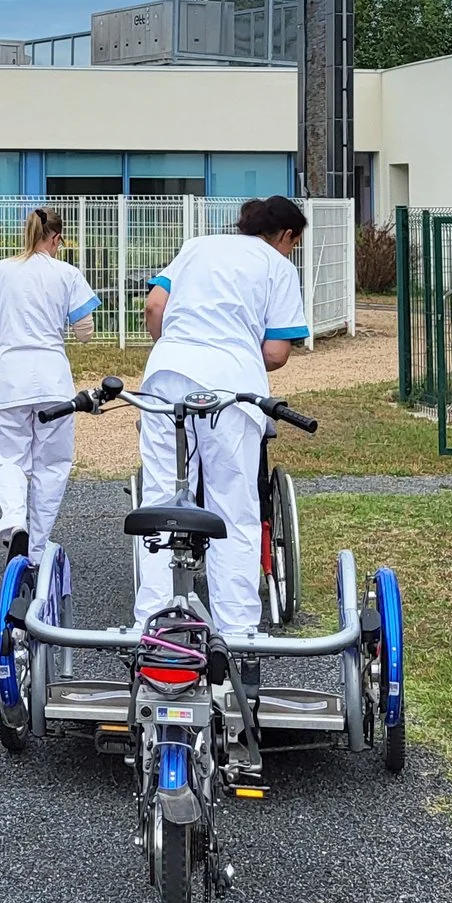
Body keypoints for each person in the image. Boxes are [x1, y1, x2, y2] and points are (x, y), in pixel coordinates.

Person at [133, 194, 310, 634]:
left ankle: (153, 625)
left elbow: (154, 308)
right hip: (232, 384)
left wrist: (174, 344)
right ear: (286, 235)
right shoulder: (278, 267)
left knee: (161, 497)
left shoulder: (197, 246)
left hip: (167, 374)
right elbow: (276, 352)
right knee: (234, 506)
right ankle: (237, 633)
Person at [0, 206, 102, 564]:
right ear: (57, 238)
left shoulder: (2, 270)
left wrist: (1, 329)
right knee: (51, 464)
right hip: (52, 381)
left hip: (9, 380)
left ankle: (14, 521)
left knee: (9, 458)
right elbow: (85, 332)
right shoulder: (67, 274)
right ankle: (39, 547)